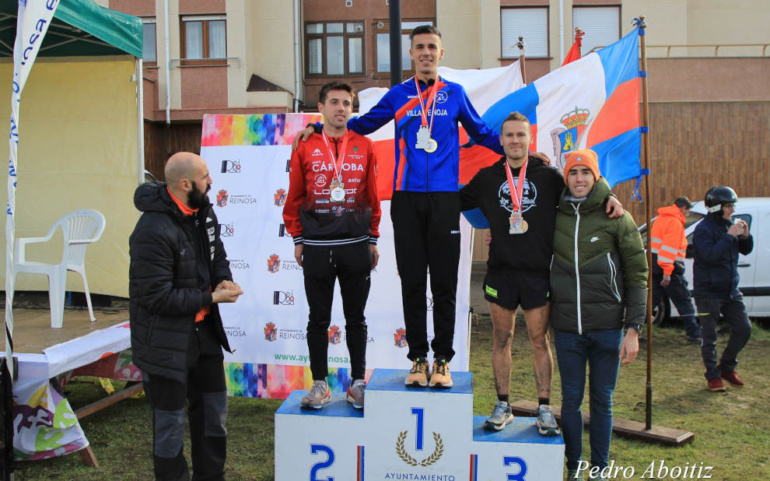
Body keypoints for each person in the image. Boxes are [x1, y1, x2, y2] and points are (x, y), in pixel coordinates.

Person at [294, 25, 507, 388]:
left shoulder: (455, 94)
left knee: (444, 283)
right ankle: (418, 359)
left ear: (441, 53)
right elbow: (361, 125)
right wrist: (318, 128)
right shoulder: (399, 95)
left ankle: (442, 361)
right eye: (419, 47)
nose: (426, 52)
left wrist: (520, 152)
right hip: (406, 199)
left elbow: (482, 133)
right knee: (412, 282)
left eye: (432, 47)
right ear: (411, 53)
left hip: (445, 199)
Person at [460, 113, 623, 435]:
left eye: (521, 135)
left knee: (539, 340)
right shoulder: (487, 177)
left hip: (539, 273)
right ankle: (503, 405)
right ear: (501, 140)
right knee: (502, 338)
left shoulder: (549, 176)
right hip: (501, 272)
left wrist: (611, 195)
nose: (515, 141)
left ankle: (545, 409)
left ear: (530, 139)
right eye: (509, 135)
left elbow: (584, 184)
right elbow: (451, 199)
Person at [129, 152, 244, 481]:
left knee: (213, 416)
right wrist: (211, 298)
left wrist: (222, 278)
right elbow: (156, 297)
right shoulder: (151, 230)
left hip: (204, 335)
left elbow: (216, 255)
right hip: (164, 342)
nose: (211, 181)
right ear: (185, 184)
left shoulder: (204, 212)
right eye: (205, 177)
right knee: (169, 426)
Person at [549, 149, 647, 480]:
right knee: (571, 401)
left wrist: (633, 329)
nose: (579, 179)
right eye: (573, 173)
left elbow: (638, 274)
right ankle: (575, 467)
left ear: (596, 177)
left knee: (602, 401)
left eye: (585, 172)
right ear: (566, 178)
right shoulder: (554, 214)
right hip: (566, 328)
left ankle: (600, 469)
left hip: (607, 328)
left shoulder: (617, 217)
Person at [283, 81, 381, 410]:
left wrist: (373, 237)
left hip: (355, 244)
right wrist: (298, 237)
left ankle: (357, 383)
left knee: (356, 318)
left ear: (352, 109)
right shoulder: (304, 145)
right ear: (321, 108)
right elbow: (295, 195)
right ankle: (320, 384)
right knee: (318, 319)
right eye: (334, 102)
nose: (341, 108)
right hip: (317, 244)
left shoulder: (365, 145)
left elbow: (372, 195)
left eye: (347, 103)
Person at [692, 186, 753, 392]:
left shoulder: (729, 225)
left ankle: (726, 367)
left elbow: (745, 251)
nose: (732, 210)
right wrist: (729, 236)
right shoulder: (703, 230)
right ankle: (713, 376)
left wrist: (745, 236)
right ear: (716, 207)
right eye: (728, 206)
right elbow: (711, 256)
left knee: (744, 329)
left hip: (731, 291)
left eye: (733, 205)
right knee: (710, 337)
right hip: (708, 293)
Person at [650, 197, 702, 344]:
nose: (687, 214)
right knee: (683, 301)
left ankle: (632, 330)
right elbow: (669, 249)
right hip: (670, 269)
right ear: (683, 208)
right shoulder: (675, 222)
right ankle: (694, 335)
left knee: (651, 300)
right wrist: (667, 272)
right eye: (688, 211)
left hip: (655, 265)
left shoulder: (660, 219)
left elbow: (658, 246)